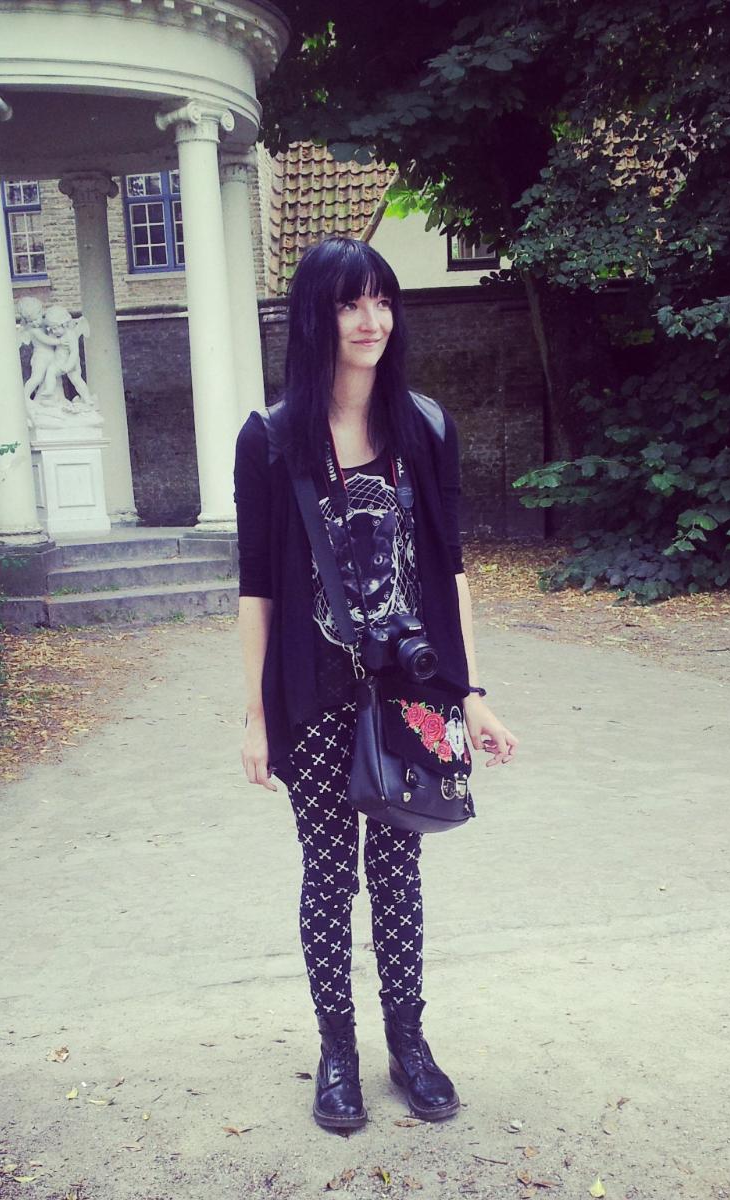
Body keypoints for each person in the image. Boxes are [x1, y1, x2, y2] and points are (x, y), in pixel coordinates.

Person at [233, 236, 517, 1131]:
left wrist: (470, 693)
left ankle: (409, 1045)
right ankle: (336, 1054)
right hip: (313, 692)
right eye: (351, 303)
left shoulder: (424, 428)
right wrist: (255, 716)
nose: (372, 320)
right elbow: (256, 588)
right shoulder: (270, 439)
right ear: (315, 317)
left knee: (399, 870)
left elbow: (449, 568)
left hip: (408, 693)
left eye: (383, 301)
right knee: (328, 874)